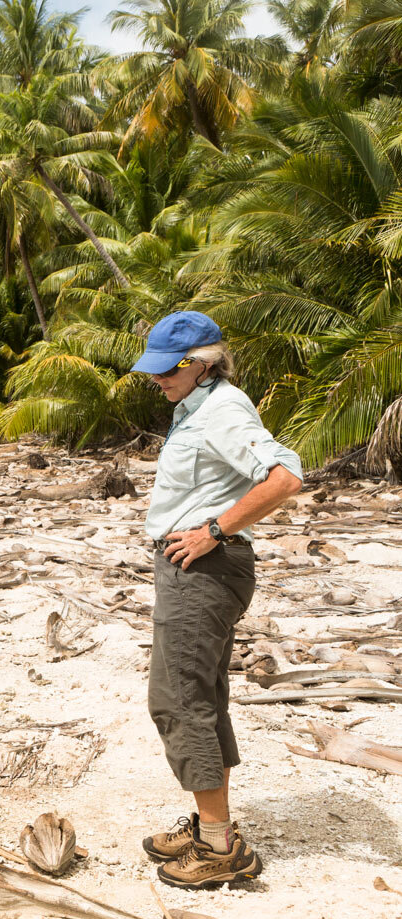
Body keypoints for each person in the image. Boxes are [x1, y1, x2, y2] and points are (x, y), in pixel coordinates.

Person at [130, 311, 303, 889]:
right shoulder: (197, 407)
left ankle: (218, 844)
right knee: (199, 693)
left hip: (203, 567)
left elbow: (285, 477)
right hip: (195, 567)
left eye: (168, 370)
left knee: (178, 698)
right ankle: (211, 825)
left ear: (202, 364)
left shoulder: (223, 408)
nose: (157, 380)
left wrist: (215, 530)